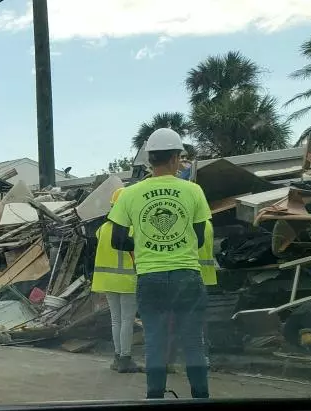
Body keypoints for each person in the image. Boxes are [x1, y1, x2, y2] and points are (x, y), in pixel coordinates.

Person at [108, 128, 212, 399]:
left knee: (155, 342)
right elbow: (199, 238)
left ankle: (155, 398)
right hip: (186, 276)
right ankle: (201, 397)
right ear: (176, 158)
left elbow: (117, 240)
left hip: (150, 278)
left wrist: (145, 243)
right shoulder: (193, 190)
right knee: (193, 342)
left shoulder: (129, 194)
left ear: (150, 160)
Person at [91, 187, 140, 373]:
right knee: (128, 320)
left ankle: (118, 357)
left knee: (116, 320)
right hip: (127, 280)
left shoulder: (102, 229)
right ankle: (125, 359)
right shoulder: (132, 229)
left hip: (107, 281)